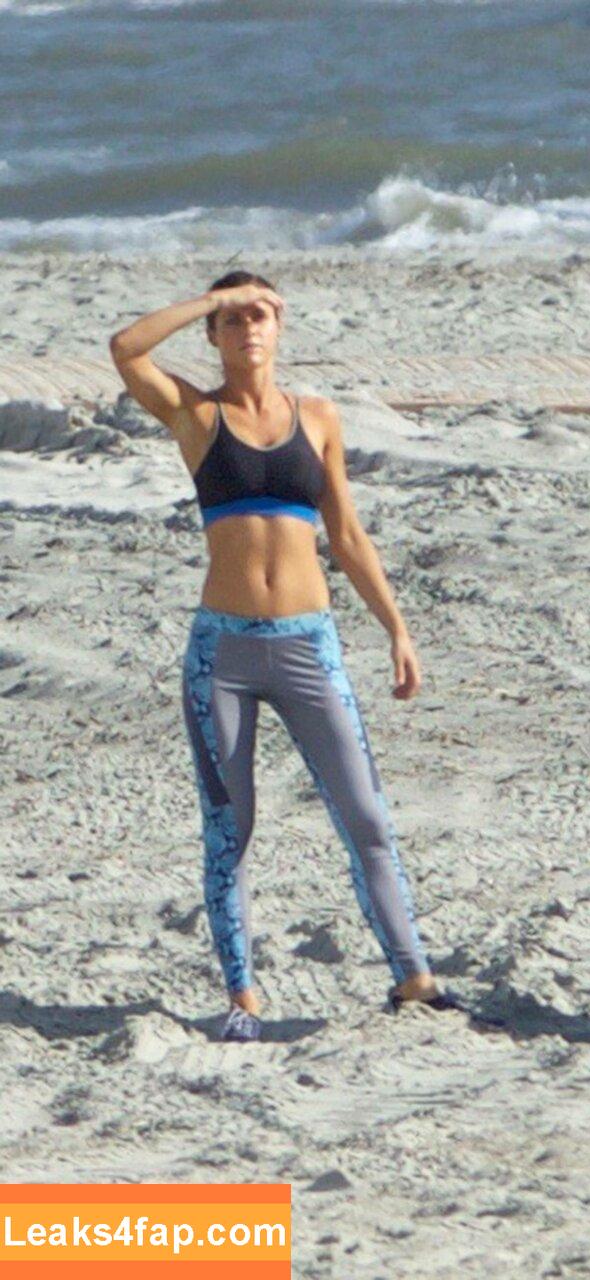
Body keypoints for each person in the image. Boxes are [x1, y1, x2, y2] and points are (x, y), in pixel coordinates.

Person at [108, 271, 460, 1042]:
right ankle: (243, 998)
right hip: (222, 655)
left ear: (281, 324)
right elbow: (126, 348)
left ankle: (415, 979)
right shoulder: (196, 415)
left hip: (310, 647)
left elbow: (348, 537)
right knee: (233, 830)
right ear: (213, 335)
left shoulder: (320, 418)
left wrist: (396, 628)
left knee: (365, 817)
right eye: (232, 321)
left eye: (261, 315)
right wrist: (207, 300)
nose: (249, 329)